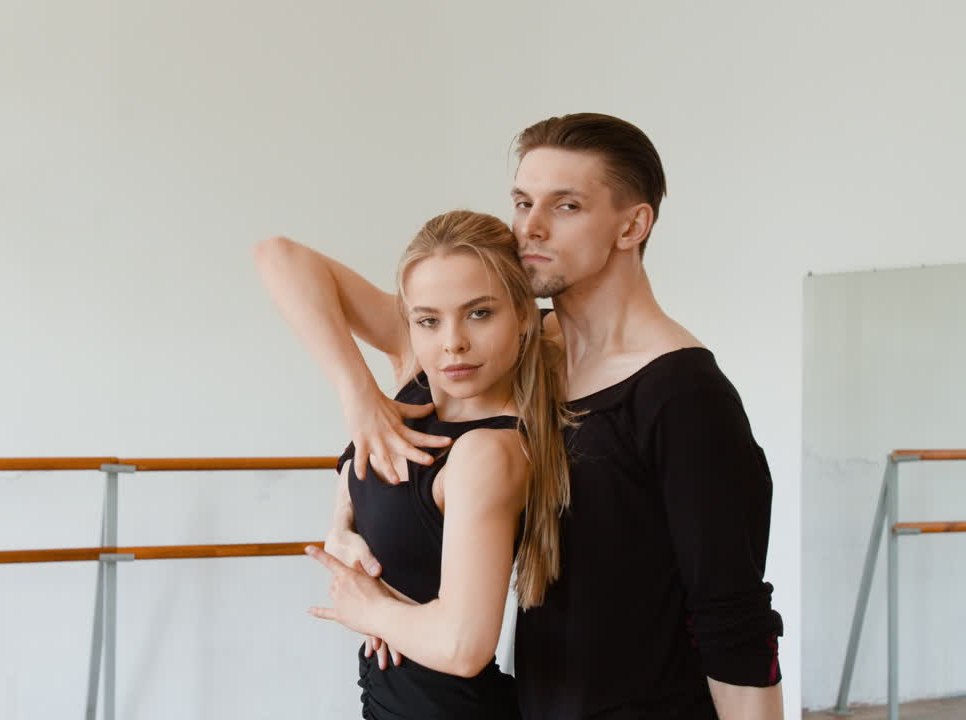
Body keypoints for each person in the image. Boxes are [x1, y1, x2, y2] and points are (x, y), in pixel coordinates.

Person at [255, 113, 785, 719]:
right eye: (523, 201)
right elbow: (283, 261)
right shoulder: (518, 356)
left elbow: (735, 619)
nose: (530, 227)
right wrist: (356, 432)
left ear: (632, 225)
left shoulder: (683, 394)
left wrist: (374, 609)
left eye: (566, 206)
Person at [257, 209, 572, 719]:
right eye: (428, 319)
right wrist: (358, 395)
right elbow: (277, 255)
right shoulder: (420, 369)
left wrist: (369, 609)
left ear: (522, 314)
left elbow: (462, 649)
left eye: (480, 313)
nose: (452, 342)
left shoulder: (489, 451)